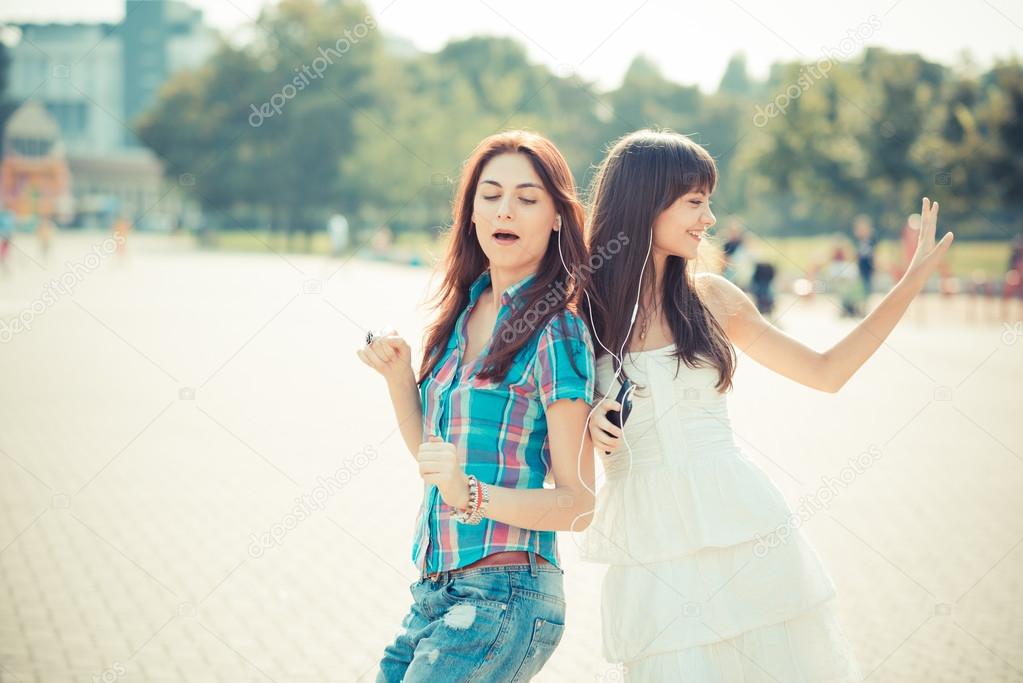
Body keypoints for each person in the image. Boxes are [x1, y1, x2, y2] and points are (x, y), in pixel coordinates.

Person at [582, 129, 952, 681]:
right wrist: (586, 419)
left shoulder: (713, 297)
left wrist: (908, 283)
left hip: (742, 522)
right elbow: (551, 440)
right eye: (695, 202)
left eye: (708, 202)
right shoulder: (580, 311)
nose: (709, 219)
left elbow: (827, 373)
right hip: (649, 538)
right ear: (645, 203)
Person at [358, 131, 597, 682]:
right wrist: (399, 379)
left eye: (527, 198)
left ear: (558, 217)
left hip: (504, 593)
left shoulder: (555, 331)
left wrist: (471, 494)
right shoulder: (459, 316)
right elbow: (433, 458)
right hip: (434, 588)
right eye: (489, 195)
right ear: (470, 213)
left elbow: (578, 505)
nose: (504, 210)